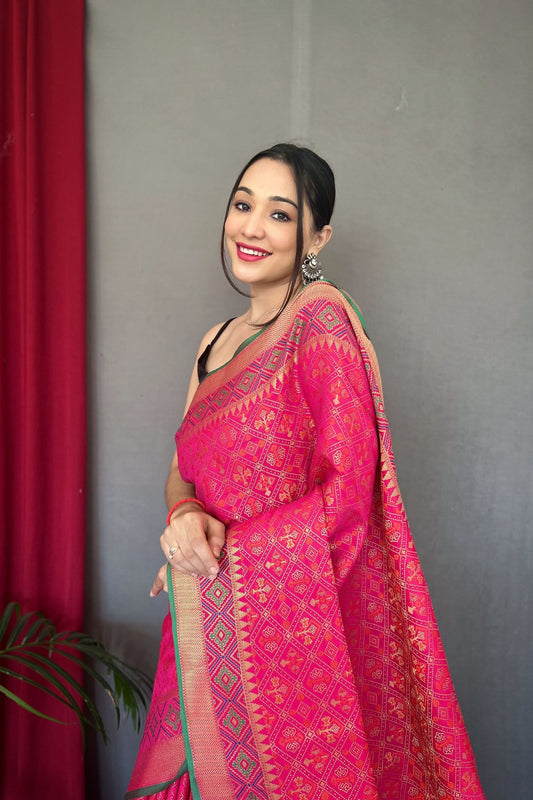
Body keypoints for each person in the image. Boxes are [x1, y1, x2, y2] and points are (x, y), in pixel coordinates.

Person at [126, 144, 485, 800]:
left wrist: (223, 562)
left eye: (280, 214)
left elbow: (348, 494)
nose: (251, 227)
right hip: (206, 624)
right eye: (243, 205)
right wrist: (184, 516)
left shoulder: (319, 322)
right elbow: (182, 471)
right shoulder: (212, 343)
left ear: (317, 237)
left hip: (292, 632)